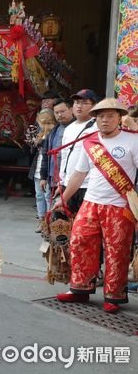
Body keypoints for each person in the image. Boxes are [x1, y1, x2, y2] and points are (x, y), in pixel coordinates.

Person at [55, 99, 138, 314]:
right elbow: (79, 174)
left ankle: (114, 296)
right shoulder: (90, 142)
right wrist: (63, 198)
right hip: (91, 203)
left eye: (110, 116)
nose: (105, 120)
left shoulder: (133, 141)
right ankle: (80, 289)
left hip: (120, 206)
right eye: (100, 116)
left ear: (120, 118)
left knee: (116, 251)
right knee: (80, 242)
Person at [59, 90, 99, 213]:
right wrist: (61, 181)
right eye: (76, 102)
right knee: (67, 224)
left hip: (88, 185)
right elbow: (64, 156)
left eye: (84, 103)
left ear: (94, 106)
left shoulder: (97, 127)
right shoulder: (69, 128)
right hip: (68, 184)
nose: (79, 106)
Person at [40, 99, 74, 194]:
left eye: (62, 111)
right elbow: (46, 155)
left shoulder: (78, 128)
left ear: (71, 110)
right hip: (53, 178)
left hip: (71, 180)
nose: (59, 115)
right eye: (56, 112)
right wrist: (43, 177)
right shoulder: (53, 132)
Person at [30, 109, 56, 232]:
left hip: (48, 170)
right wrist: (35, 143)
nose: (43, 125)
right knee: (39, 196)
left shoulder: (55, 134)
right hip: (38, 168)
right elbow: (34, 152)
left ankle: (49, 222)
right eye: (42, 122)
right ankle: (41, 221)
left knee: (48, 196)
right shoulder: (40, 133)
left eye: (47, 122)